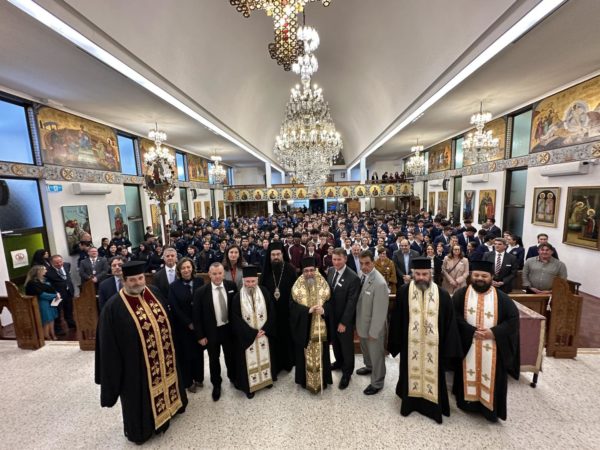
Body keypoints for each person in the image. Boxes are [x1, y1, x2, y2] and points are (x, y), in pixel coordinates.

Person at [95, 261, 187, 445]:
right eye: (132, 280)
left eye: (140, 278)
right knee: (140, 397)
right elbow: (108, 347)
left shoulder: (154, 292)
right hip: (136, 365)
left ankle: (172, 407)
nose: (137, 283)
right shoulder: (113, 308)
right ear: (124, 280)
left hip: (164, 357)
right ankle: (145, 428)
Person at [388, 257, 462, 423]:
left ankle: (432, 405)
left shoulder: (442, 295)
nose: (421, 277)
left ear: (431, 274)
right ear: (413, 274)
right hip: (410, 346)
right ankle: (410, 403)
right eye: (418, 274)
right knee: (408, 372)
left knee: (434, 375)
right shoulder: (404, 292)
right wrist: (396, 342)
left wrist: (448, 349)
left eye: (425, 274)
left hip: (434, 349)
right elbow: (397, 319)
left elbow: (449, 324)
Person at [452, 260, 520, 422]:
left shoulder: (502, 298)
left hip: (493, 346)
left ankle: (488, 408)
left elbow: (513, 320)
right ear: (471, 276)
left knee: (491, 377)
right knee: (465, 372)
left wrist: (493, 332)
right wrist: (471, 331)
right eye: (476, 275)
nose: (479, 279)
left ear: (491, 277)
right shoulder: (461, 295)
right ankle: (467, 404)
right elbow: (454, 316)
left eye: (484, 276)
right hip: (468, 344)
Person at [192, 263, 238, 402]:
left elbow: (236, 308)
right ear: (209, 274)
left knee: (231, 356)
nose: (217, 276)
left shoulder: (231, 286)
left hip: (228, 329)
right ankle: (216, 384)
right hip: (211, 332)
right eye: (214, 274)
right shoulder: (201, 292)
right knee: (213, 359)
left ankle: (233, 377)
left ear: (223, 274)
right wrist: (200, 336)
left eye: (220, 273)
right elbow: (197, 316)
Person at [230, 266, 276, 399]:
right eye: (247, 282)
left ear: (257, 280)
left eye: (253, 281)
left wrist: (265, 329)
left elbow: (272, 311)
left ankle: (266, 380)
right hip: (247, 337)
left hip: (264, 335)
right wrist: (252, 333)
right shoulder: (237, 297)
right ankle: (249, 386)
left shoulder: (264, 292)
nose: (250, 284)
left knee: (267, 356)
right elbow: (236, 319)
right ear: (243, 281)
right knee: (246, 363)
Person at [290, 257, 333, 393]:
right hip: (304, 329)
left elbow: (331, 303)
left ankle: (322, 380)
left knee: (322, 355)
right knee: (303, 356)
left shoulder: (323, 283)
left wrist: (324, 310)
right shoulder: (296, 286)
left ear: (316, 270)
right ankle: (305, 381)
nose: (309, 273)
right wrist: (306, 311)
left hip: (320, 328)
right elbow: (292, 307)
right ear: (302, 272)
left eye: (311, 270)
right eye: (306, 271)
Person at [259, 241, 297, 374]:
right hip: (271, 313)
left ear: (282, 255)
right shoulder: (266, 270)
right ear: (269, 256)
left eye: (278, 254)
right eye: (273, 254)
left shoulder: (290, 269)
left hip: (287, 312)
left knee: (287, 337)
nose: (276, 257)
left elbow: (296, 292)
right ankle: (275, 364)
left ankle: (288, 362)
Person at [324, 248, 360, 390]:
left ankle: (347, 373)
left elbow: (352, 303)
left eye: (339, 259)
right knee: (335, 342)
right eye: (334, 259)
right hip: (332, 317)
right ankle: (339, 362)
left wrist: (344, 322)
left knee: (346, 346)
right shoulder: (331, 271)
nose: (336, 262)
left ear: (345, 259)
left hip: (344, 319)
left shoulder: (353, 277)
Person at [169, 257, 205, 393]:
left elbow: (204, 302)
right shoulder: (174, 286)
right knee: (186, 354)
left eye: (188, 267)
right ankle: (188, 381)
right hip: (183, 327)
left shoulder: (200, 281)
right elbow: (175, 307)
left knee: (198, 353)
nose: (186, 270)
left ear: (192, 268)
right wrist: (188, 323)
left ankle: (199, 378)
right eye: (183, 268)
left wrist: (199, 323)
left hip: (199, 324)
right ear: (179, 270)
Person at [355, 251, 389, 395]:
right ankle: (369, 367)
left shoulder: (379, 283)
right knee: (366, 351)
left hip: (374, 327)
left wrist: (374, 332)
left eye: (367, 263)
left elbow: (380, 312)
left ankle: (377, 382)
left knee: (376, 355)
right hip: (363, 323)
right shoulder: (362, 275)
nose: (364, 266)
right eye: (361, 263)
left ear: (373, 262)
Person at [25, 265, 59, 340]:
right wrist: (55, 295)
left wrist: (57, 293)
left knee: (52, 319)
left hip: (50, 301)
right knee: (47, 320)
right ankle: (47, 336)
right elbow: (41, 295)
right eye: (44, 269)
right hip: (42, 303)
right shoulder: (32, 283)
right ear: (38, 272)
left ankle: (53, 334)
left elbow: (51, 288)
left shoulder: (44, 280)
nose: (46, 271)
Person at [45, 254, 76, 333]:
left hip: (68, 292)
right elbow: (48, 284)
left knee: (69, 308)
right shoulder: (47, 271)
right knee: (57, 311)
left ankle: (70, 323)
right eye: (56, 263)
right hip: (56, 295)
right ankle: (58, 328)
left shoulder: (67, 265)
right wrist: (55, 293)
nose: (59, 264)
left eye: (60, 262)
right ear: (52, 263)